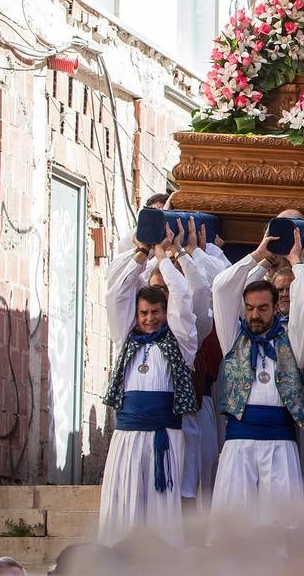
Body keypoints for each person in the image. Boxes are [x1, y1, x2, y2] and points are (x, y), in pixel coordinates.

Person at [209, 227, 304, 523]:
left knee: (281, 528)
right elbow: (221, 288)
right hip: (238, 445)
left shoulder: (293, 339)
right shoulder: (232, 335)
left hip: (281, 444)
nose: (255, 315)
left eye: (262, 308)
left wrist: (297, 261)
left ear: (276, 308)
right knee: (235, 527)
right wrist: (259, 256)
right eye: (249, 309)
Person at [98, 227, 198, 546]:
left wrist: (163, 259)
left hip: (164, 437)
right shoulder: (126, 338)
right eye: (144, 313)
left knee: (160, 513)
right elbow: (117, 294)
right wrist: (141, 255)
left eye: (156, 312)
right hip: (126, 436)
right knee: (122, 508)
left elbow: (182, 295)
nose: (150, 319)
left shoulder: (181, 341)